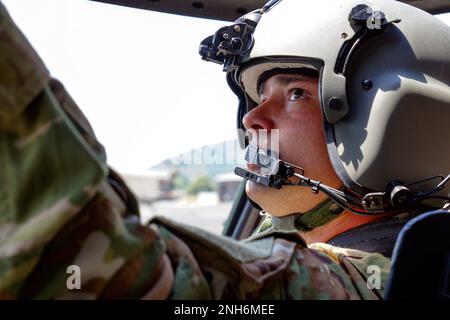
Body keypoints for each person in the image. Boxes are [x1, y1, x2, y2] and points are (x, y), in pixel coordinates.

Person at [0, 0, 449, 300]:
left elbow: (109, 273)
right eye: (258, 97)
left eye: (294, 93)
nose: (254, 119)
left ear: (395, 123)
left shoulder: (388, 279)